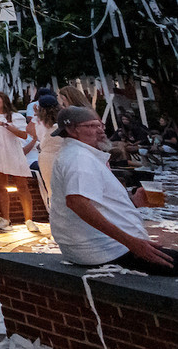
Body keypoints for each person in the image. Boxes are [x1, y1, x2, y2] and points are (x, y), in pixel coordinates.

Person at [48, 106, 176, 274]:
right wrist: (132, 243)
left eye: (101, 125)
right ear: (72, 130)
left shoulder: (79, 154)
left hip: (106, 247)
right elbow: (77, 203)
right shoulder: (79, 158)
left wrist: (133, 202)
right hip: (106, 251)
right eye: (93, 126)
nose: (102, 130)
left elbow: (95, 202)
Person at [0, 89, 37, 229]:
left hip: (13, 152)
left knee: (22, 186)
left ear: (4, 100)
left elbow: (23, 135)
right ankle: (5, 219)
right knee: (1, 186)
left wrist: (4, 125)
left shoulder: (15, 116)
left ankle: (29, 220)